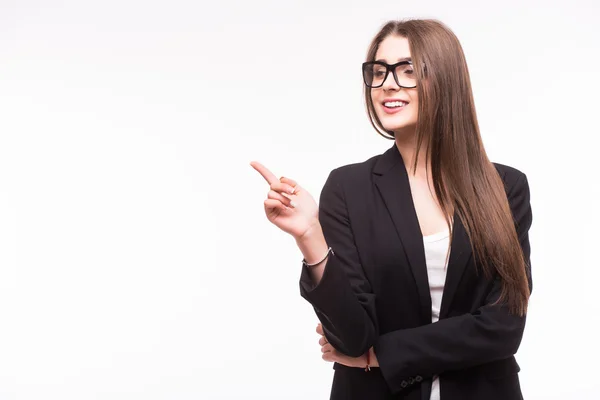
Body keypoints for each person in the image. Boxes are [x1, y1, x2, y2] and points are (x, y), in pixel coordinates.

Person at [251, 18, 532, 400]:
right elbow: (351, 339)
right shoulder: (349, 188)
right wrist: (309, 236)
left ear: (445, 79)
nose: (388, 84)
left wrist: (381, 355)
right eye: (379, 72)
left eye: (408, 70)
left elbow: (503, 327)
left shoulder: (504, 188)